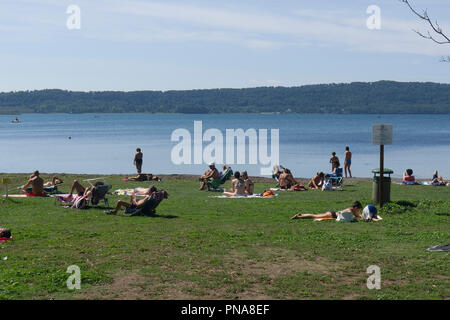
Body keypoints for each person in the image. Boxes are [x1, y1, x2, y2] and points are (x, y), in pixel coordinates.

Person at [291, 201, 363, 221]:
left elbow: (358, 216)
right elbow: (342, 215)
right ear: (356, 208)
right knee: (314, 216)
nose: (359, 211)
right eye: (359, 209)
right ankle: (299, 216)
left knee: (315, 216)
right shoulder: (350, 210)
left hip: (332, 214)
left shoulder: (353, 211)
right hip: (331, 215)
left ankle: (301, 215)